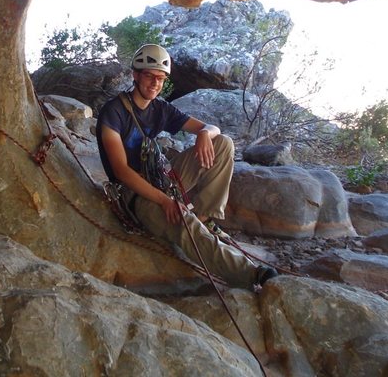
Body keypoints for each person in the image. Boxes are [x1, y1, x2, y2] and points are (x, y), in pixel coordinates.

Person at [96, 43, 277, 289]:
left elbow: (213, 129)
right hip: (134, 194)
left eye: (160, 78)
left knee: (223, 144)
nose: (155, 83)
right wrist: (164, 201)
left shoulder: (160, 108)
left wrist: (204, 133)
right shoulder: (114, 112)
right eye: (149, 76)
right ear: (136, 75)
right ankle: (249, 273)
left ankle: (203, 216)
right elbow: (121, 172)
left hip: (159, 177)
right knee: (182, 219)